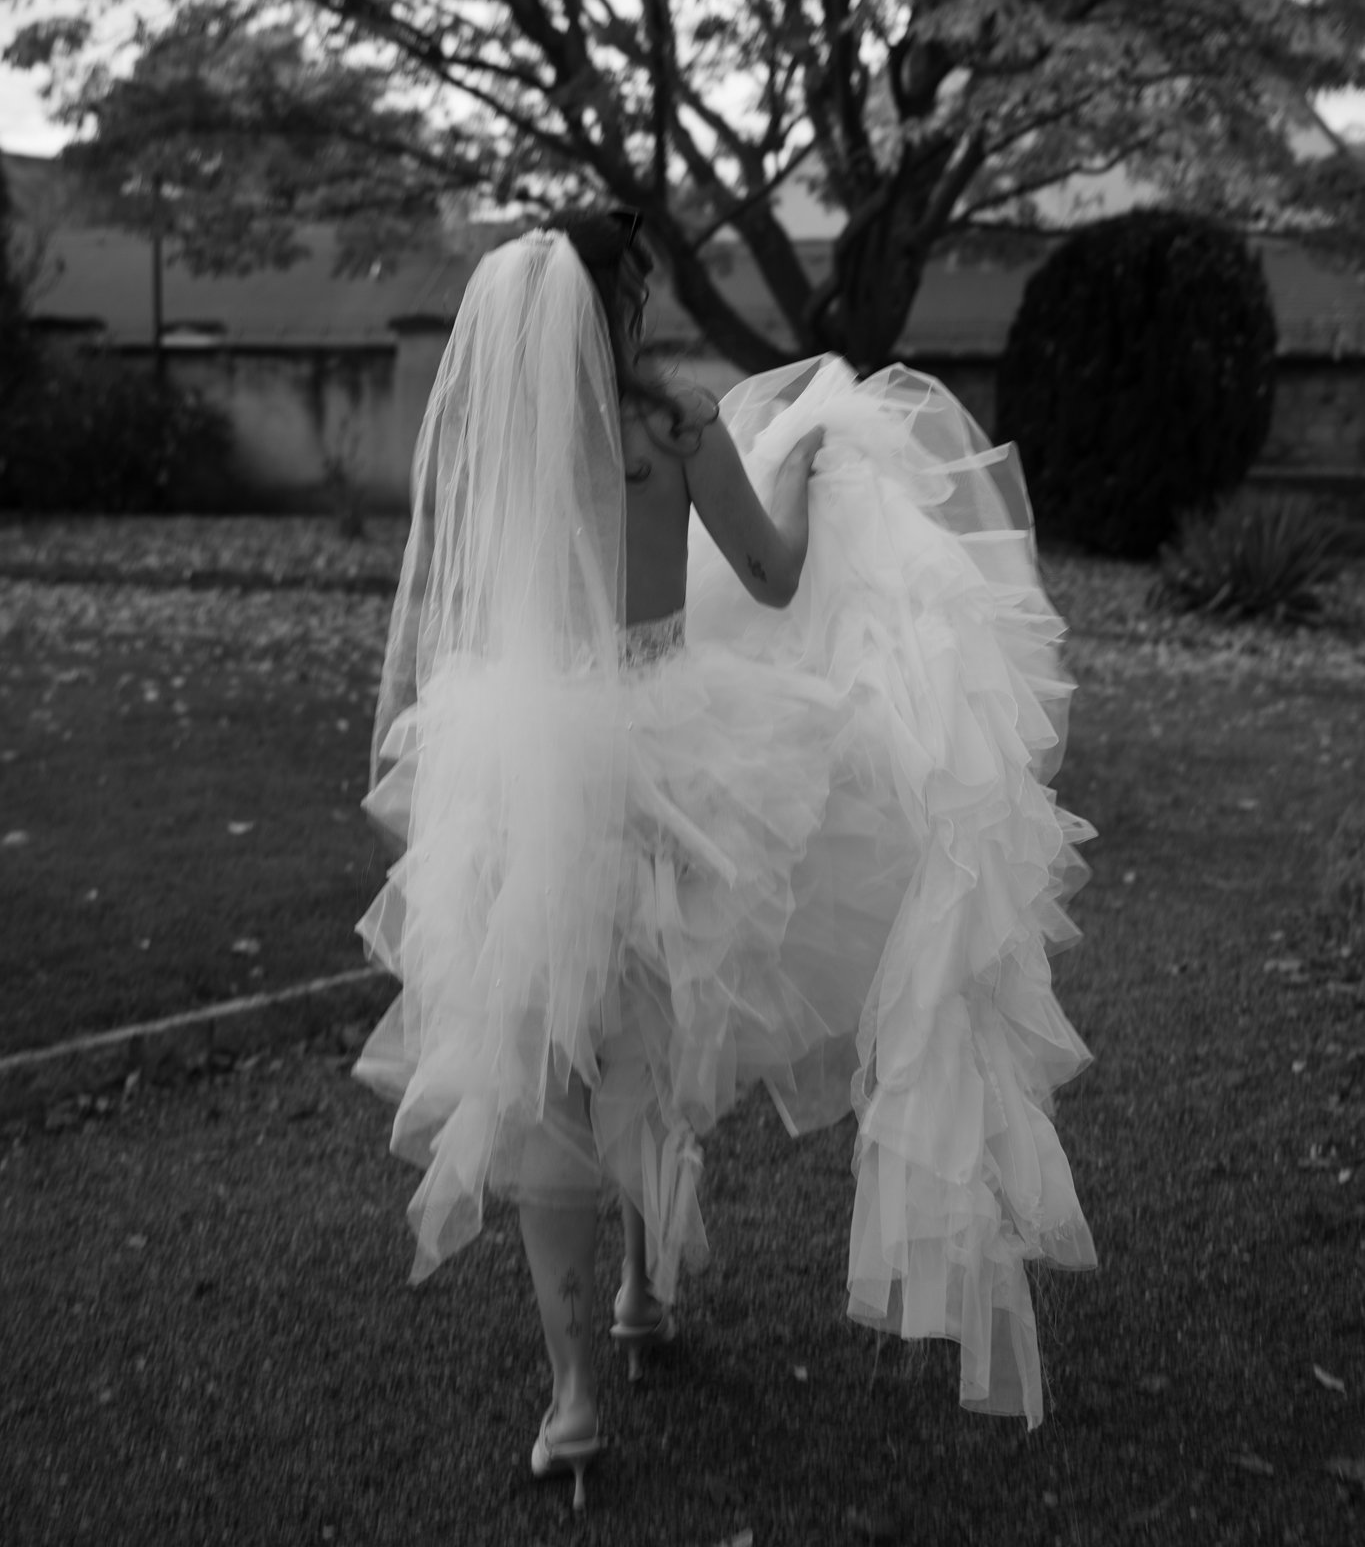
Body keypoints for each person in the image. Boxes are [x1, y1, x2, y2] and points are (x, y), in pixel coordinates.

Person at [356, 214, 1095, 1513]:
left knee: (550, 1067)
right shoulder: (676, 428)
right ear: (615, 305)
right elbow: (767, 567)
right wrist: (803, 468)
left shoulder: (492, 436)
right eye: (635, 289)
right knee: (657, 1025)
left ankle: (578, 1395)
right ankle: (641, 1294)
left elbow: (470, 594)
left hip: (519, 760)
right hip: (665, 759)